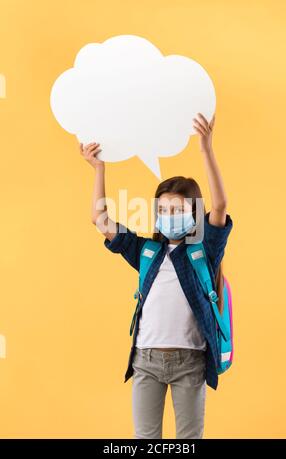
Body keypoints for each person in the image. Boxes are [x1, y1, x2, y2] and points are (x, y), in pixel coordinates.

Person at [80, 112, 233, 439]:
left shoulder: (202, 251)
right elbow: (99, 218)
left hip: (189, 363)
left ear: (193, 212)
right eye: (162, 210)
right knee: (145, 440)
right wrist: (99, 169)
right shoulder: (147, 252)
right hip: (145, 361)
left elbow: (219, 206)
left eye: (177, 209)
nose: (168, 216)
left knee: (188, 441)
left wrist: (206, 148)